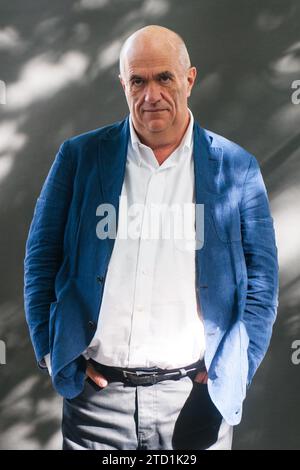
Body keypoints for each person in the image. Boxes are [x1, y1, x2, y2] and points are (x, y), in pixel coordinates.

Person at [23, 25, 279, 450]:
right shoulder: (80, 158)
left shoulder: (236, 167)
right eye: (138, 81)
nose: (151, 95)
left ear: (189, 79)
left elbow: (262, 281)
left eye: (165, 78)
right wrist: (54, 353)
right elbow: (42, 256)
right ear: (123, 84)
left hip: (197, 401)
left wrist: (236, 366)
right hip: (97, 407)